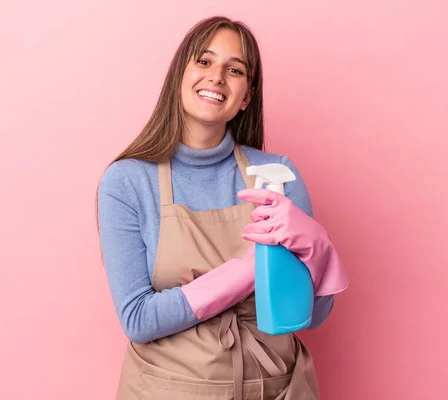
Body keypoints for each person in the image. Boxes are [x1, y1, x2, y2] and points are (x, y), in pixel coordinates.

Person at [97, 15, 349, 400]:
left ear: (246, 95)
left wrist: (318, 249)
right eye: (204, 61)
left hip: (275, 388)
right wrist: (252, 270)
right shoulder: (128, 181)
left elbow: (312, 317)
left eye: (234, 70)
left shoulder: (277, 174)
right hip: (169, 390)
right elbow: (139, 319)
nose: (216, 77)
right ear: (179, 75)